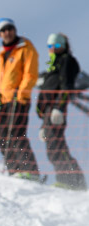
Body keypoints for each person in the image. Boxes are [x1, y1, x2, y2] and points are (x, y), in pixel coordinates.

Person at [0, 18, 40, 180]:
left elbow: (31, 74)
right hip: (1, 103)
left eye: (10, 29)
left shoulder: (25, 48)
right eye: (4, 30)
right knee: (3, 139)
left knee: (16, 134)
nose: (7, 32)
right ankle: (15, 172)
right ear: (0, 34)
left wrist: (21, 95)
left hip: (18, 99)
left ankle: (30, 171)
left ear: (14, 30)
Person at [36, 33, 87, 191]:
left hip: (57, 109)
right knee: (53, 147)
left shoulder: (66, 61)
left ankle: (72, 180)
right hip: (48, 113)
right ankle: (70, 180)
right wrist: (43, 124)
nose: (53, 49)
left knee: (57, 146)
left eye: (57, 46)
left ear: (64, 46)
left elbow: (67, 86)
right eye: (50, 46)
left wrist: (59, 107)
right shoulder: (52, 67)